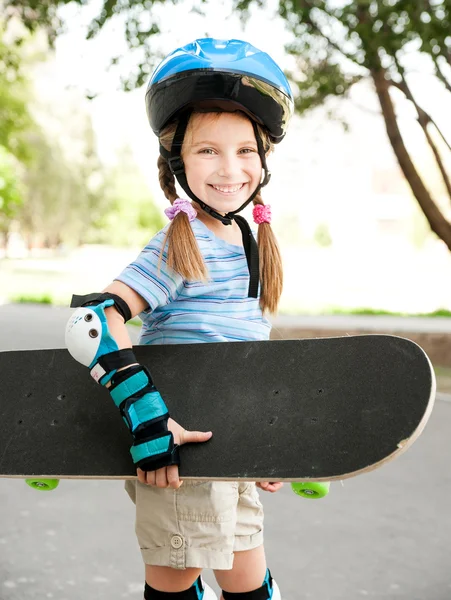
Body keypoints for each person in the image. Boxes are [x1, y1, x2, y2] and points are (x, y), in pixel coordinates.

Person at [65, 37, 293, 600]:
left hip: (230, 450)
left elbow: (243, 348)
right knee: (176, 585)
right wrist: (148, 421)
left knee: (249, 584)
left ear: (263, 160)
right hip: (179, 457)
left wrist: (264, 435)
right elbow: (93, 322)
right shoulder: (176, 243)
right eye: (208, 151)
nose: (231, 168)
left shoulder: (250, 241)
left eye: (245, 150)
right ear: (178, 162)